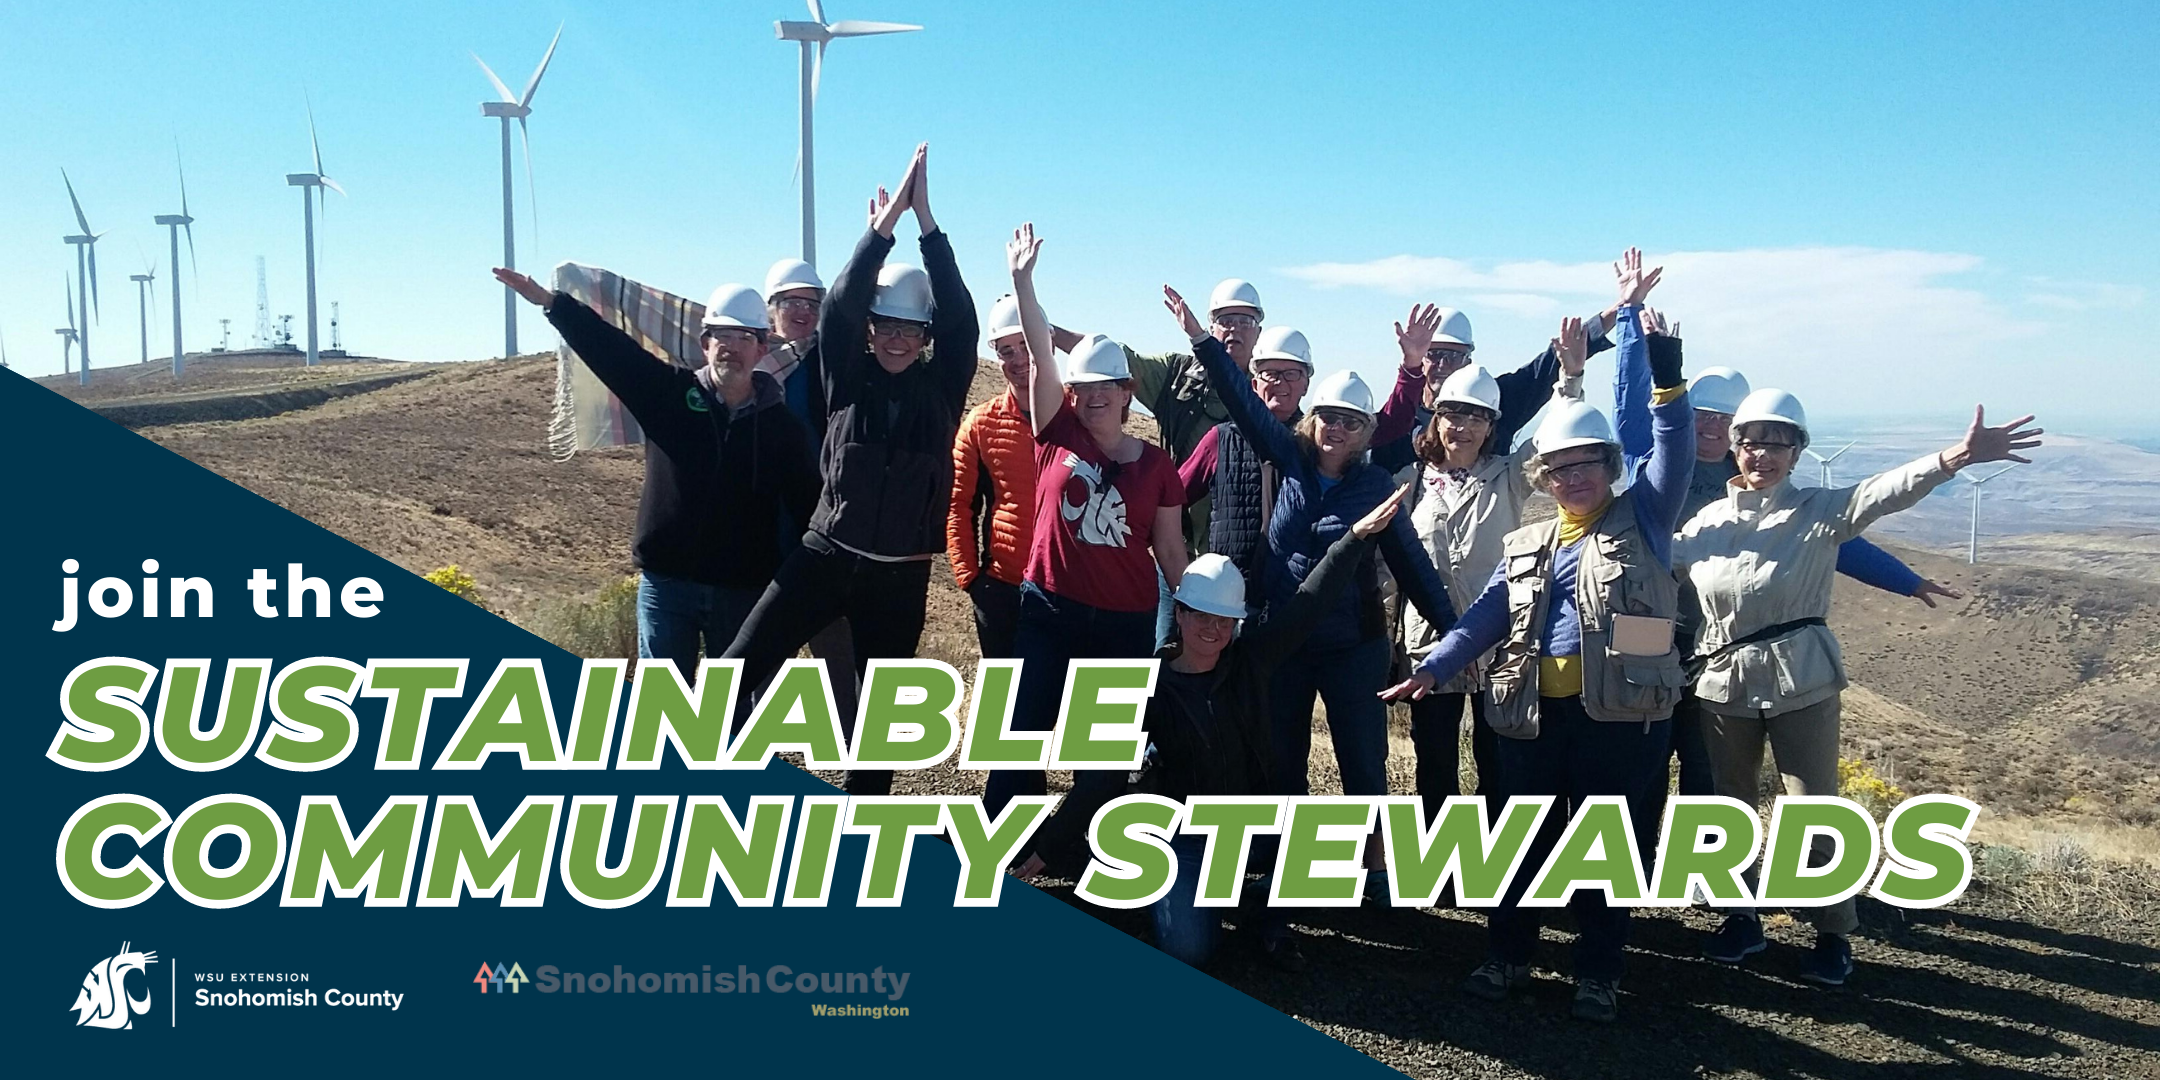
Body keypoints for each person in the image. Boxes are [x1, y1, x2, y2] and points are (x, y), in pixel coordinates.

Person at [1380, 248, 1690, 1024]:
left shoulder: (1645, 518)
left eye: (1588, 464)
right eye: (1560, 466)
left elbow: (1674, 443)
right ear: (1544, 476)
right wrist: (1435, 665)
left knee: (1602, 846)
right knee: (1520, 839)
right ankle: (1509, 953)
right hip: (1532, 715)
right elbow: (1489, 610)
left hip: (1617, 718)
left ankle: (1597, 970)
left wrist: (1660, 362)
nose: (1573, 475)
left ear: (1612, 466)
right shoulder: (1532, 541)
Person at [1675, 389, 2041, 987]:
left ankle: (1830, 931)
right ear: (1733, 450)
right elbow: (1644, 560)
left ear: (1797, 452)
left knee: (1812, 809)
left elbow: (1885, 492)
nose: (1761, 454)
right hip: (1722, 680)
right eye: (1751, 441)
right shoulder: (1706, 523)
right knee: (1725, 805)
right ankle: (1738, 917)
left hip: (1802, 675)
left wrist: (1953, 459)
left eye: (1777, 442)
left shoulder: (1821, 509)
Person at [1013, 488, 1413, 969]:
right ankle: (1178, 895)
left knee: (1326, 846)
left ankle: (1263, 911)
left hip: (1253, 823)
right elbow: (1103, 776)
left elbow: (1309, 603)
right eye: (1200, 614)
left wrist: (1353, 538)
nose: (1212, 629)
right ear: (1179, 614)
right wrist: (1054, 843)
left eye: (1224, 620)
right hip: (1184, 831)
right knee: (1188, 950)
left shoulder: (1252, 662)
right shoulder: (1150, 685)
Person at [1165, 283, 1458, 883]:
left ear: (1367, 431)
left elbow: (1413, 568)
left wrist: (1457, 637)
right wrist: (1202, 339)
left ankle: (1377, 877)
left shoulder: (1377, 488)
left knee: (1363, 768)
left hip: (1353, 648)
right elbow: (1241, 403)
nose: (1336, 429)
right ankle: (1283, 876)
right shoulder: (1292, 457)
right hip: (1283, 643)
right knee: (1283, 762)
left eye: (1351, 422)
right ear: (1314, 419)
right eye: (1328, 417)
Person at [1620, 353, 1959, 855]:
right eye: (1702, 416)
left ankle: (1751, 893)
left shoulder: (1798, 504)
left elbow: (1848, 528)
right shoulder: (1657, 471)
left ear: (1794, 451)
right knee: (1643, 758)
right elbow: (1631, 418)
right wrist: (1629, 326)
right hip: (1659, 642)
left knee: (1710, 770)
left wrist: (1906, 580)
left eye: (1722, 418)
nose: (1711, 426)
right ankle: (1644, 867)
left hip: (1718, 652)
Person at [721, 144, 978, 796]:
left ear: (924, 339)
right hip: (824, 556)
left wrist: (930, 227)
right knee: (732, 674)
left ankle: (860, 838)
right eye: (885, 325)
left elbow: (963, 319)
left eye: (909, 330)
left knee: (877, 725)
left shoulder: (943, 388)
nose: (896, 338)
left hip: (899, 580)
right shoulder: (847, 375)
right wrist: (884, 227)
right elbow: (837, 302)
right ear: (870, 330)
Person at [492, 267, 820, 679]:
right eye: (722, 336)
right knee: (663, 710)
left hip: (743, 592)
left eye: (744, 338)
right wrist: (554, 305)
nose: (731, 348)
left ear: (761, 348)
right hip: (667, 587)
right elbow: (612, 351)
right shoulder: (669, 396)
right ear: (705, 344)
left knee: (740, 713)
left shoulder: (783, 428)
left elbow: (809, 507)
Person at [983, 223, 1189, 822]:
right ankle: (1003, 840)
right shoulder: (1057, 432)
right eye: (1082, 387)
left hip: (1124, 626)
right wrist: (1022, 283)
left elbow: (1171, 553)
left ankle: (1083, 849)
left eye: (1107, 387)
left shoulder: (1157, 468)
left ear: (1129, 392)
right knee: (1019, 734)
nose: (1093, 396)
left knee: (1101, 757)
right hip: (1049, 612)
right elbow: (1041, 355)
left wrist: (1200, 614)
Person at [1393, 316, 1591, 824]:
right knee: (1434, 761)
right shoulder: (1408, 479)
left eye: (1476, 418)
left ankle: (1496, 861)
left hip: (1501, 646)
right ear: (1435, 420)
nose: (1462, 427)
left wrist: (1570, 379)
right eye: (1452, 415)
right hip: (1428, 642)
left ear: (1492, 426)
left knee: (1497, 759)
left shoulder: (1510, 476)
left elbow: (1556, 440)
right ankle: (1438, 863)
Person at [1179, 309, 1435, 612]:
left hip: (1294, 604)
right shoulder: (1220, 439)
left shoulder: (1323, 440)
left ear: (1305, 384)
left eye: (1292, 374)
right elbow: (1172, 500)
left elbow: (1388, 423)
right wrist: (1181, 563)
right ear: (1252, 381)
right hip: (1224, 601)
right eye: (1270, 373)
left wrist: (1412, 367)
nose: (1281, 383)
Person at [758, 256, 861, 724]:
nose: (802, 311)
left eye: (811, 302)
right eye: (791, 302)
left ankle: (859, 769)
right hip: (760, 532)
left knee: (838, 652)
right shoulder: (749, 365)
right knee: (759, 658)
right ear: (770, 307)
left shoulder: (833, 361)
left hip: (823, 531)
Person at [1369, 304, 1617, 476]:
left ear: (1469, 359)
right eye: (1433, 354)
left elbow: (1552, 361)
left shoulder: (1496, 402)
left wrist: (1621, 308)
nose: (1443, 364)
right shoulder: (1398, 420)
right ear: (1420, 357)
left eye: (1454, 355)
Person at [948, 293, 1039, 658]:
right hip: (1003, 589)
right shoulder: (981, 423)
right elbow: (958, 504)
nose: (1017, 359)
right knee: (1002, 707)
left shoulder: (1078, 414)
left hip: (1070, 594)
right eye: (1006, 350)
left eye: (1025, 345)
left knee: (1065, 708)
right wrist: (971, 579)